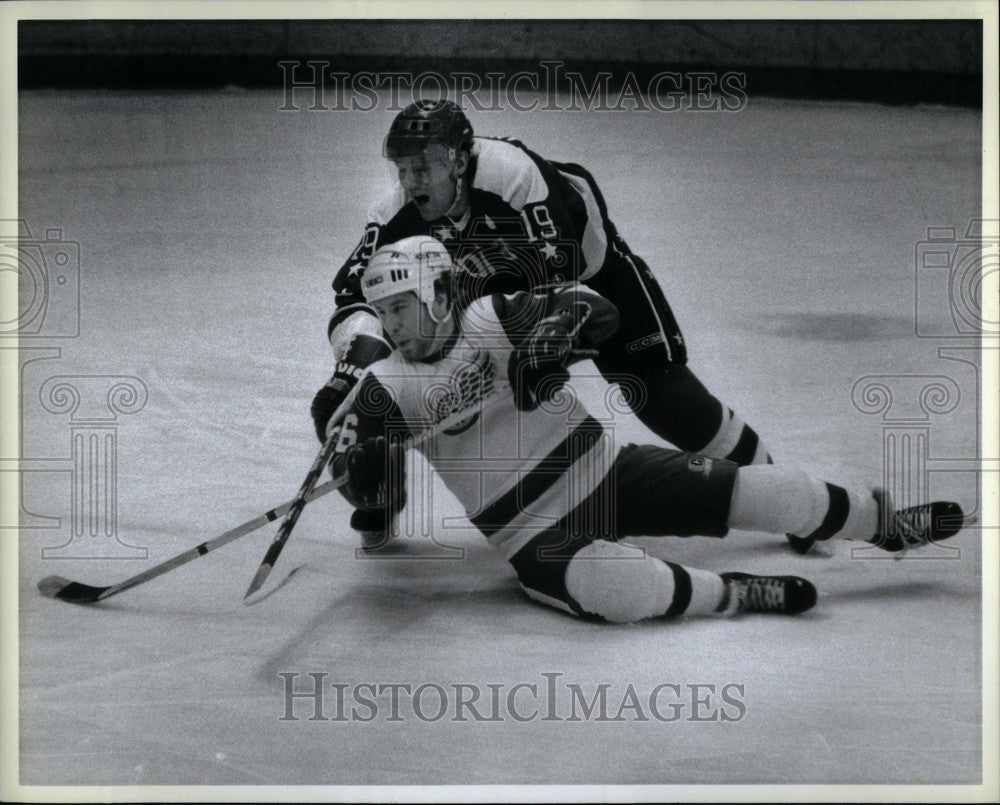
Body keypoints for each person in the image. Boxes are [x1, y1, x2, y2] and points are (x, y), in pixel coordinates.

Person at [310, 236, 970, 623]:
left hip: (610, 471)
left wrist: (549, 340)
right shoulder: (384, 387)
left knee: (775, 490)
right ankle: (735, 594)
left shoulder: (492, 316)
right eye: (385, 313)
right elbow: (353, 470)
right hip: (533, 532)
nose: (393, 325)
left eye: (401, 306)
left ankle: (884, 524)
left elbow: (594, 307)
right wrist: (362, 479)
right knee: (617, 586)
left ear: (438, 292)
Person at [323, 98, 826, 554]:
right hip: (495, 309)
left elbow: (561, 282)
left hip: (592, 277)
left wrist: (535, 350)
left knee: (660, 393)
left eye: (424, 167)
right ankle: (380, 495)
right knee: (369, 402)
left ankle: (784, 493)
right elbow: (353, 293)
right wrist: (355, 356)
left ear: (458, 158)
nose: (411, 183)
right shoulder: (393, 212)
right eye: (402, 169)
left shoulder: (512, 175)